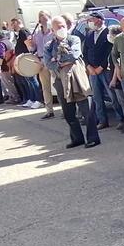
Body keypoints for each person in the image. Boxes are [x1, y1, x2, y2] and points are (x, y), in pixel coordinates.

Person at [43, 16, 99, 149]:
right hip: (60, 81)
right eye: (58, 27)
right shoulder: (49, 46)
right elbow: (48, 64)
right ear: (52, 30)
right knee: (68, 112)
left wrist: (57, 60)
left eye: (63, 26)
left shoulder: (74, 39)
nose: (61, 29)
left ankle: (93, 138)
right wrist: (61, 63)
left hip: (77, 78)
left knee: (86, 110)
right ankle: (77, 138)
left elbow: (74, 55)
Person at [83, 12, 124, 129]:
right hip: (92, 71)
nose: (89, 22)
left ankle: (121, 119)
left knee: (112, 96)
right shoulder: (89, 34)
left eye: (91, 19)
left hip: (105, 70)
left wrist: (101, 67)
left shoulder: (108, 33)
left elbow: (110, 53)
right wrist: (89, 66)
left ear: (99, 20)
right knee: (97, 97)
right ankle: (102, 120)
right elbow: (85, 52)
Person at [28, 11, 56, 118]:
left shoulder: (53, 32)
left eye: (44, 16)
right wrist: (30, 44)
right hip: (41, 61)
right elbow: (33, 49)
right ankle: (49, 110)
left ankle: (65, 109)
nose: (42, 19)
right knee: (45, 87)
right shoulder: (37, 34)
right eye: (40, 17)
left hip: (52, 61)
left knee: (58, 86)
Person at [11, 18, 42, 109]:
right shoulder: (19, 33)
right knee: (28, 81)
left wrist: (30, 54)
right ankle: (31, 99)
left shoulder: (23, 31)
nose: (12, 26)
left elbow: (28, 44)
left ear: (17, 22)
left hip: (26, 59)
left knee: (32, 80)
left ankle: (38, 100)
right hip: (22, 59)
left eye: (13, 24)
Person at [0, 31, 20, 104]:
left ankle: (15, 98)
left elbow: (1, 55)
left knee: (8, 82)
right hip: (11, 64)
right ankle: (14, 97)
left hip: (4, 65)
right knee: (11, 81)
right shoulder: (8, 42)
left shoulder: (1, 43)